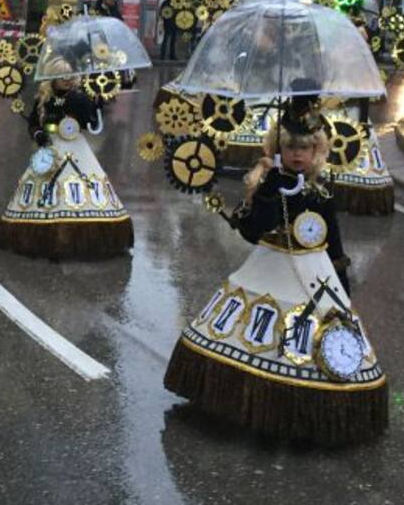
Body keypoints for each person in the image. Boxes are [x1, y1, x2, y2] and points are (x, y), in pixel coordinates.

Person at [163, 92, 387, 445]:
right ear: (277, 147)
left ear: (317, 151)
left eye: (305, 148)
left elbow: (335, 243)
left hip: (315, 274)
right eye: (290, 147)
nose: (298, 154)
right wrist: (266, 192)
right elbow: (251, 232)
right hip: (271, 266)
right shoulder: (266, 184)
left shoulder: (322, 193)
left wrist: (342, 282)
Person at [0, 61, 133, 260]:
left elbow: (91, 123)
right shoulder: (43, 98)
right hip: (51, 149)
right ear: (53, 77)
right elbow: (33, 124)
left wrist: (97, 103)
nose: (66, 80)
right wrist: (39, 134)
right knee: (45, 192)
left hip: (77, 147)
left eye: (70, 76)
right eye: (62, 76)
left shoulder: (80, 97)